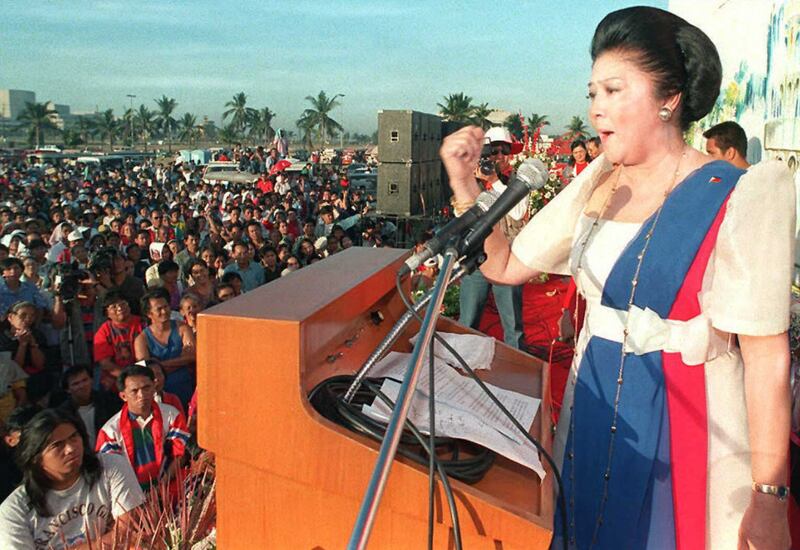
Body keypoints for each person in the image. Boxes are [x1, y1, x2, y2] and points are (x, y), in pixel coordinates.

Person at [440, 7, 793, 548]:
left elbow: (767, 356)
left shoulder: (739, 193)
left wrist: (770, 497)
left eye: (612, 90)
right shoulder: (595, 180)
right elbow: (506, 266)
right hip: (594, 406)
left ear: (668, 98)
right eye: (591, 94)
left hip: (691, 424)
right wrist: (465, 184)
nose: (596, 110)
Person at [0, 408, 144, 549]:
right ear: (35, 458)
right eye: (57, 445)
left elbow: (129, 532)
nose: (70, 448)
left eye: (74, 437)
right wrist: (108, 540)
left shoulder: (111, 466)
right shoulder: (13, 511)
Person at [457, 126, 527, 350]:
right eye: (493, 151)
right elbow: (460, 214)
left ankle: (516, 375)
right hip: (477, 259)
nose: (498, 157)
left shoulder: (519, 180)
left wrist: (495, 181)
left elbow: (517, 213)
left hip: (507, 261)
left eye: (503, 151)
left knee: (513, 326)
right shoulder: (471, 179)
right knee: (467, 323)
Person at [95, 364, 188, 490]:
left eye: (146, 388)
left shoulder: (172, 415)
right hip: (129, 494)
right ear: (123, 396)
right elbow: (110, 472)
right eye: (134, 391)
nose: (142, 395)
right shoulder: (110, 431)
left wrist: (163, 484)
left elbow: (180, 455)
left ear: (154, 387)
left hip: (170, 487)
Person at [134, 289, 195, 407]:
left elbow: (192, 356)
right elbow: (147, 370)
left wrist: (160, 364)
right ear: (149, 313)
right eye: (159, 309)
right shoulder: (142, 339)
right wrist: (180, 361)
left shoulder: (182, 328)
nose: (165, 311)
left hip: (185, 387)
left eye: (166, 306)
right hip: (159, 394)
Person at [49, 365, 121, 449]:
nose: (82, 386)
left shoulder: (109, 402)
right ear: (68, 389)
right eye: (76, 384)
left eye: (85, 380)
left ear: (92, 380)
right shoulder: (63, 413)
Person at [93, 291, 144, 391]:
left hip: (144, 375)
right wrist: (129, 377)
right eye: (114, 307)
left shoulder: (143, 323)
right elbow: (106, 364)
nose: (120, 308)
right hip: (118, 382)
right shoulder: (103, 332)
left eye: (123, 304)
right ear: (106, 312)